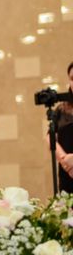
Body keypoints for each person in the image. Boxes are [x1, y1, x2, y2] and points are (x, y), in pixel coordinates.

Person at [50, 61, 73, 192]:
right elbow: (50, 138)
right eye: (72, 79)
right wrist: (65, 161)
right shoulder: (62, 109)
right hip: (67, 177)